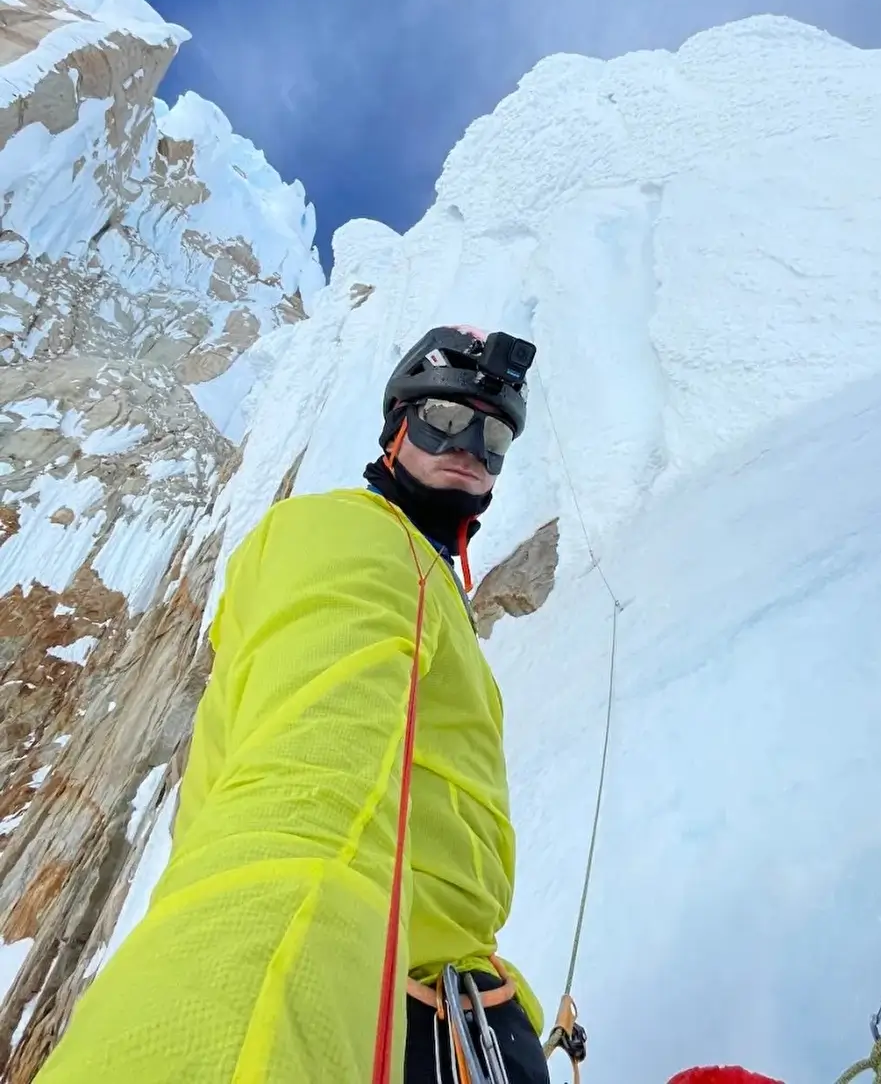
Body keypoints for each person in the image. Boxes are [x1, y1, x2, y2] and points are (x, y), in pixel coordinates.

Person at [35, 324, 546, 1084]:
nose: (469, 446)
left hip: (439, 1003)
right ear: (397, 428)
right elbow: (311, 798)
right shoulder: (351, 536)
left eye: (493, 435)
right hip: (374, 1005)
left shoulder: (421, 572)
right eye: (444, 419)